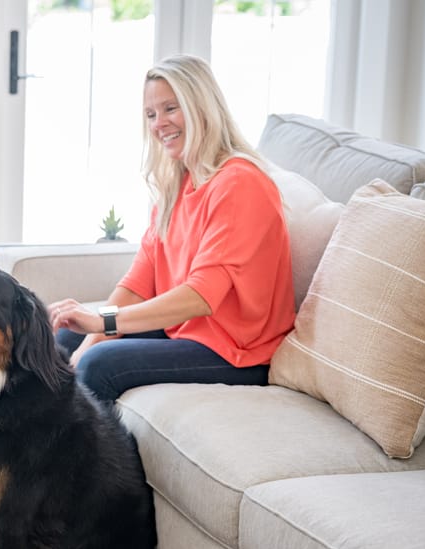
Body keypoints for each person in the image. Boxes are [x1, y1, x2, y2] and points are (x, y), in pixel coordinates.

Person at [48, 54, 295, 403]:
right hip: (190, 333)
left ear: (201, 107)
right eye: (150, 114)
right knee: (70, 339)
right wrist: (85, 342)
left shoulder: (240, 183)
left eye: (170, 109)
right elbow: (137, 284)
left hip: (239, 352)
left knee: (101, 364)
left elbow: (201, 296)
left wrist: (102, 326)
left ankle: (90, 459)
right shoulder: (177, 184)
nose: (158, 123)